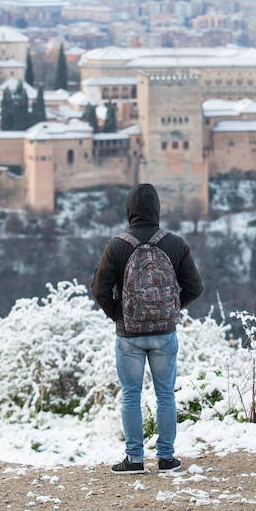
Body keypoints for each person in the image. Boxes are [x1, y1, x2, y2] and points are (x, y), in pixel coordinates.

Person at [91, 183, 203, 474]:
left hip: (129, 333)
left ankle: (135, 459)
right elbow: (195, 287)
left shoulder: (117, 245)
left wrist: (118, 314)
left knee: (131, 394)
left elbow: (99, 289)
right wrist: (172, 309)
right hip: (165, 332)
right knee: (165, 394)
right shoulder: (175, 243)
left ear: (129, 210)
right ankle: (166, 459)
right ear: (157, 209)